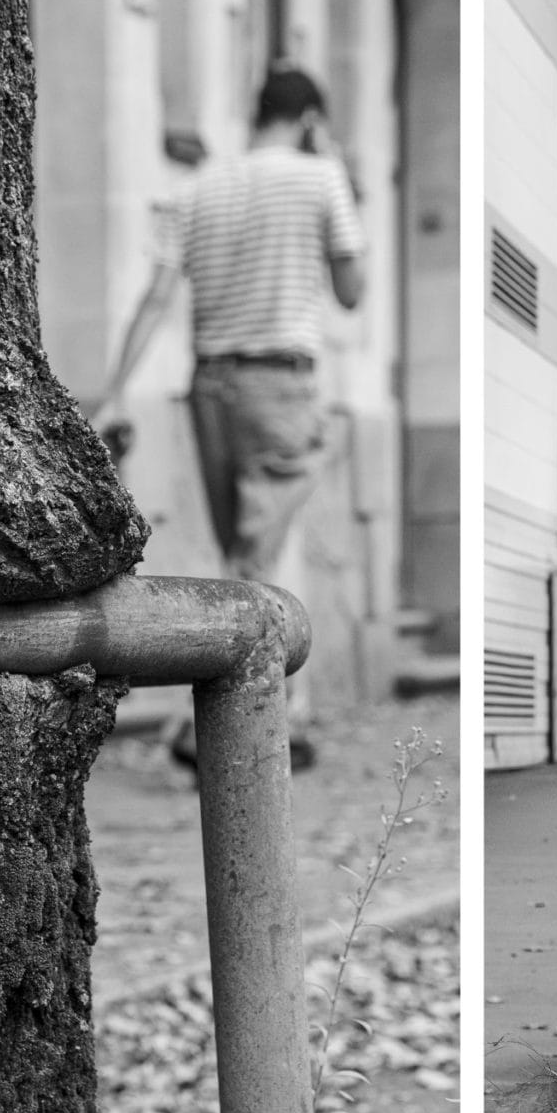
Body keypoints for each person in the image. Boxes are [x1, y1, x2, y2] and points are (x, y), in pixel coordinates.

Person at [92, 67, 367, 769]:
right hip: (278, 384)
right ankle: (212, 730)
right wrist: (337, 172)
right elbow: (352, 289)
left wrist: (116, 390)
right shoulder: (318, 177)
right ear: (309, 119)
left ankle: (267, 719)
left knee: (247, 558)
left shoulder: (198, 188)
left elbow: (155, 298)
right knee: (254, 560)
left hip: (209, 386)